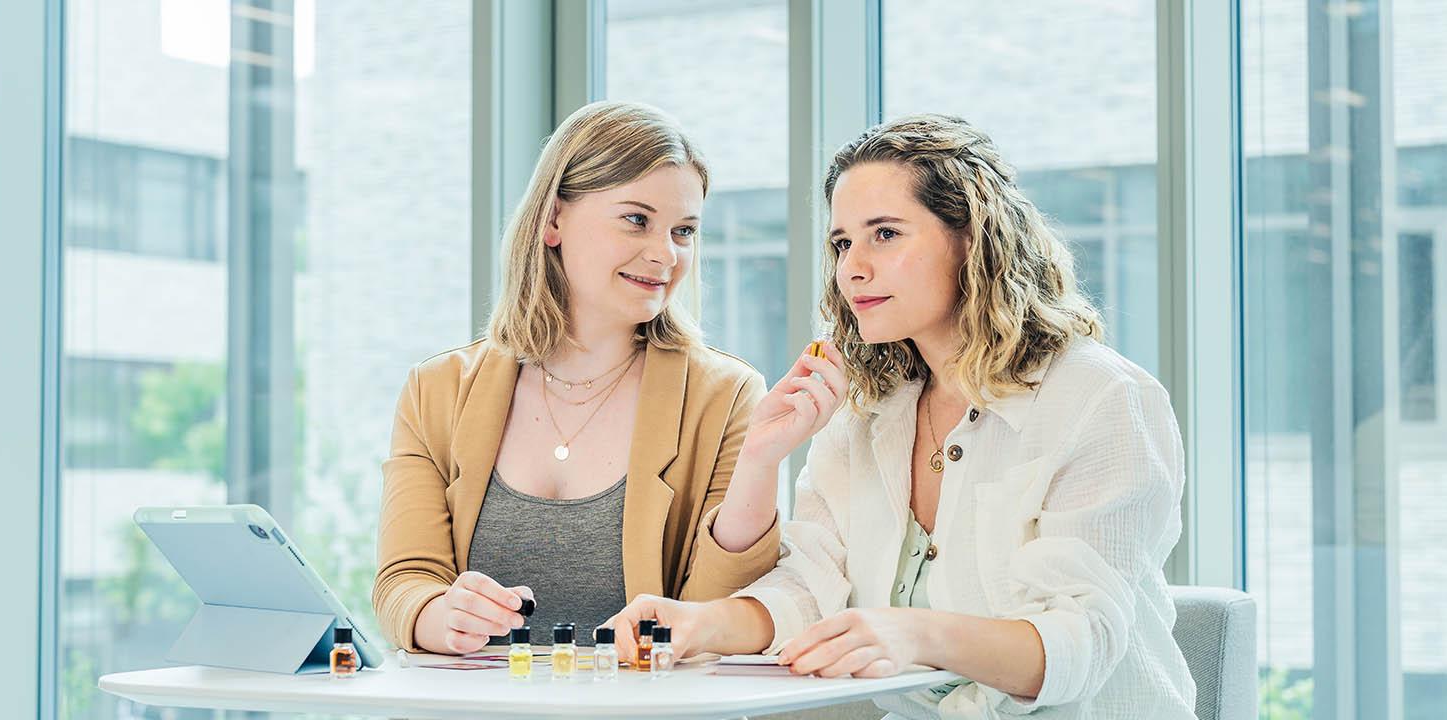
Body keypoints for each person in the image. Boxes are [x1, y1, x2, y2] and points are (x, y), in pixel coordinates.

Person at [606, 114, 1197, 719]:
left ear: (974, 238)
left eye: (885, 234)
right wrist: (700, 623)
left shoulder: (1102, 398)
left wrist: (912, 633)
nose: (852, 268)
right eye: (842, 243)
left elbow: (1082, 642)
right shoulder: (864, 410)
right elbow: (811, 585)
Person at [373, 101, 826, 653]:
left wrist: (761, 463)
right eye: (637, 220)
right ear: (554, 220)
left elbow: (712, 623)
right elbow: (403, 580)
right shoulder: (436, 390)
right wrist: (437, 615)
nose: (665, 254)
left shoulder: (725, 396)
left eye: (683, 231)